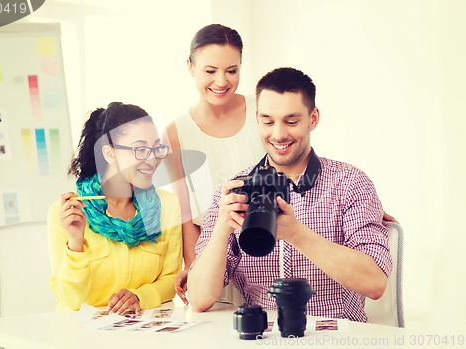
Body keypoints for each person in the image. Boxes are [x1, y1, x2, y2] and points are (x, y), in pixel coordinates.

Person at [165, 24, 397, 306]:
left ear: (313, 119)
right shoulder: (234, 190)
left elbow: (375, 284)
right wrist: (221, 230)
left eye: (291, 121)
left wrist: (295, 233)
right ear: (256, 119)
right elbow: (199, 299)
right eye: (267, 121)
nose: (278, 134)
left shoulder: (349, 183)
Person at [48, 102, 182, 314]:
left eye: (156, 148)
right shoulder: (66, 212)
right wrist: (75, 242)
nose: (152, 158)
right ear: (109, 154)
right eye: (140, 149)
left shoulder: (168, 206)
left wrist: (139, 297)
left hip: (142, 330)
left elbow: (171, 280)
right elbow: (71, 300)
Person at [164, 24, 264, 305]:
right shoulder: (175, 133)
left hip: (270, 251)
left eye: (231, 71)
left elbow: (298, 165)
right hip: (214, 259)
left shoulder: (262, 109)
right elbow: (187, 216)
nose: (221, 81)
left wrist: (353, 205)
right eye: (210, 71)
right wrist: (195, 269)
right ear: (190, 67)